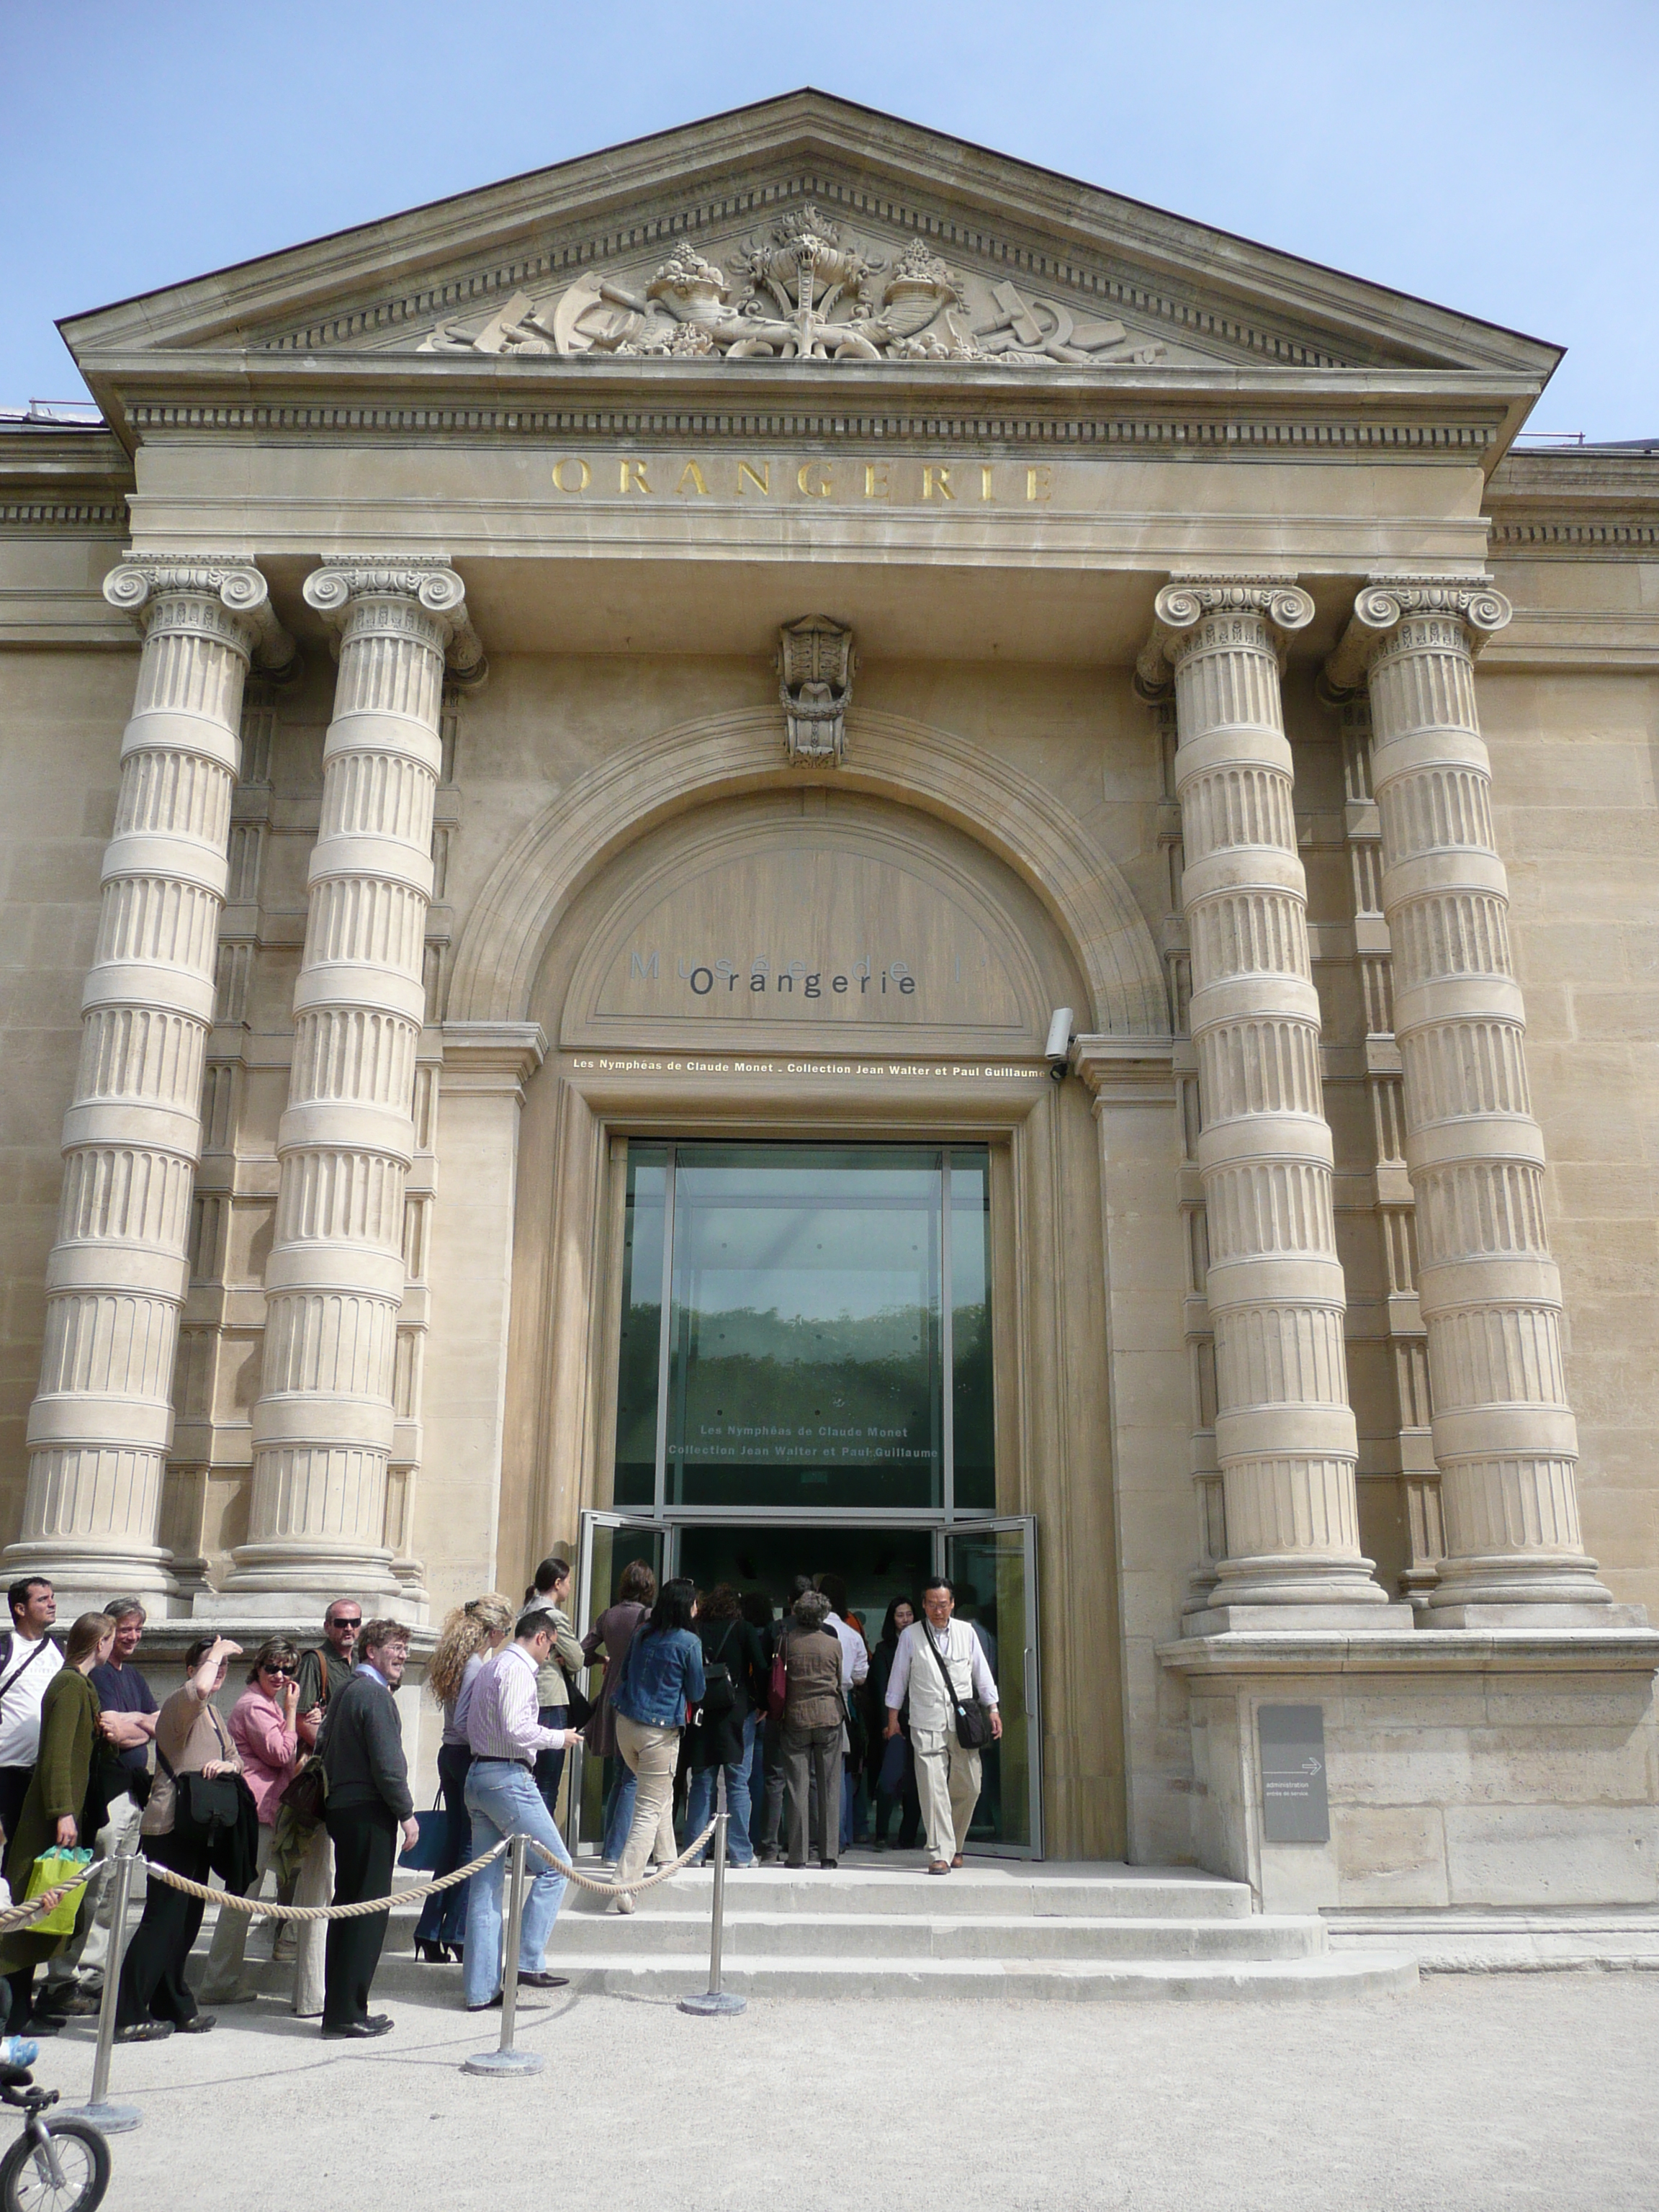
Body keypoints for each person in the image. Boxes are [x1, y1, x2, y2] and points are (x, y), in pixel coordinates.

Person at [115, 1634, 243, 2042]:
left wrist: (227, 1766)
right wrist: (220, 1650)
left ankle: (171, 2001)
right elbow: (201, 1687)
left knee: (186, 1923)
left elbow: (237, 1760)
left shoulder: (214, 1714)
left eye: (224, 1666)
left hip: (198, 1829)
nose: (220, 1671)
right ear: (191, 1670)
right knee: (161, 1921)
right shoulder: (181, 1704)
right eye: (211, 1663)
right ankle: (127, 2013)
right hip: (169, 1828)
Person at [462, 1605, 583, 2012]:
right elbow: (517, 1727)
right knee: (556, 1866)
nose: (551, 1656)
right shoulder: (515, 1670)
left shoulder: (489, 1668)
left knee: (485, 1886)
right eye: (551, 1646)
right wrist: (557, 1737)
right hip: (507, 1777)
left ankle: (481, 1990)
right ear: (542, 1638)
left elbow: (463, 1724)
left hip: (479, 1775)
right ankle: (528, 1960)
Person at [40, 1595, 158, 2015]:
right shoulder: (89, 1678)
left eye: (137, 1629)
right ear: (105, 1634)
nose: (131, 1636)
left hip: (133, 1794)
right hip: (102, 1801)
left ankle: (94, 1976)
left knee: (114, 1893)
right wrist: (141, 1724)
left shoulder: (136, 1677)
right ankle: (62, 1978)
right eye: (123, 1629)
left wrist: (139, 1724)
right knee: (89, 1889)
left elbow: (156, 1723)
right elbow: (111, 1733)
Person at [0, 1612, 115, 2034]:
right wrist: (61, 1812)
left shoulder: (79, 1685)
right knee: (26, 1914)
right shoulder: (69, 1685)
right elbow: (54, 1756)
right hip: (49, 1819)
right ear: (100, 1642)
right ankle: (13, 2016)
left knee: (41, 1917)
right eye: (112, 1639)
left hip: (63, 1815)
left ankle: (22, 2010)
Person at [316, 1617, 418, 2040]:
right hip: (367, 1812)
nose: (404, 1656)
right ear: (371, 1651)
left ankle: (341, 2008)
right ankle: (348, 2011)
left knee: (349, 1908)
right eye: (396, 1647)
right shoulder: (372, 1694)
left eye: (405, 1649)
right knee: (366, 1913)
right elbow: (387, 1763)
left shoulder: (346, 1691)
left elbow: (322, 1745)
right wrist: (407, 1814)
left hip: (343, 1808)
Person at [197, 1639, 300, 2006]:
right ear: (257, 1668)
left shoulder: (265, 1703)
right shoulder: (256, 1706)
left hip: (267, 1810)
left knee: (245, 1898)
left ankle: (224, 1977)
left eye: (287, 1669)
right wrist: (292, 1713)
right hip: (256, 1812)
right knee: (241, 1899)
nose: (280, 1675)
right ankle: (219, 1981)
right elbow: (281, 1752)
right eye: (272, 1667)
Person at [414, 1592, 513, 1964]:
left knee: (455, 1848)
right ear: (489, 1630)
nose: (504, 1637)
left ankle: (429, 1930)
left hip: (449, 1755)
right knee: (471, 1851)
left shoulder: (460, 1662)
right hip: (466, 1756)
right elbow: (465, 1722)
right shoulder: (475, 1665)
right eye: (503, 1630)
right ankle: (456, 1932)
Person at [884, 1577, 1002, 1875]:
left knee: (972, 1785)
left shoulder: (967, 1632)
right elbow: (898, 1679)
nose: (938, 1610)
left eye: (943, 1604)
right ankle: (939, 1852)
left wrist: (993, 1708)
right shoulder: (911, 1636)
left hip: (961, 1721)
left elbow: (981, 1673)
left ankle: (955, 1844)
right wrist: (893, 1718)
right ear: (924, 1605)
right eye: (932, 1604)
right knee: (932, 1787)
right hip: (925, 1720)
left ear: (952, 1605)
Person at [284, 1596, 361, 2019]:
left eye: (355, 1623)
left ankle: (287, 1938)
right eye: (341, 1622)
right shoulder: (318, 1661)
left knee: (326, 1880)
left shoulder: (357, 1664)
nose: (348, 1629)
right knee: (317, 1878)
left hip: (346, 1781)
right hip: (323, 1778)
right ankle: (309, 1989)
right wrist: (340, 1743)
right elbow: (303, 1721)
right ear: (327, 1625)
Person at [608, 1578, 703, 1912]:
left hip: (626, 1724)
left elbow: (625, 1675)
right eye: (694, 1602)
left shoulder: (642, 1634)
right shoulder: (689, 1642)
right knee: (648, 1807)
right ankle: (625, 1883)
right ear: (686, 1606)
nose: (697, 1608)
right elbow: (697, 1692)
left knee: (658, 1792)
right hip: (659, 1733)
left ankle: (668, 1859)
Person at [685, 1584, 768, 1867]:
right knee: (738, 1783)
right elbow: (761, 1667)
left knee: (702, 1781)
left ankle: (694, 1853)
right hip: (737, 1711)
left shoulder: (696, 1629)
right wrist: (764, 1703)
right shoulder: (742, 1628)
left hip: (703, 1710)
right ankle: (741, 1854)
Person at [581, 1559, 655, 1863]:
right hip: (635, 1697)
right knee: (631, 1779)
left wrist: (603, 1661)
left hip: (611, 1696)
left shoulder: (608, 1616)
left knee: (619, 1778)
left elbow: (582, 1652)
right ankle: (615, 1851)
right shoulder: (647, 1616)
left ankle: (611, 1846)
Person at [778, 1589, 845, 1870]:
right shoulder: (833, 1644)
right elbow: (839, 1680)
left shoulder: (786, 1642)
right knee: (829, 1786)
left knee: (797, 1787)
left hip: (796, 1717)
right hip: (829, 1716)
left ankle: (797, 1855)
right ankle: (828, 1854)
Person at [755, 1573, 814, 1863]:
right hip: (812, 1716)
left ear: (789, 1602)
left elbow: (765, 1671)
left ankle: (769, 1847)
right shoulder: (825, 1632)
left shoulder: (776, 1629)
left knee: (775, 1780)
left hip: (779, 1712)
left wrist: (763, 1705)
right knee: (810, 1780)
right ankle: (810, 1844)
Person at [0, 1580, 61, 1845]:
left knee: (27, 1853)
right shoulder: (4, 1649)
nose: (52, 1603)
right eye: (43, 1599)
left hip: (43, 1772)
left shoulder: (60, 1649)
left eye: (52, 1597)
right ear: (20, 1609)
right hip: (6, 1769)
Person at [525, 1556, 585, 1823]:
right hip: (550, 1698)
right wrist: (562, 1658)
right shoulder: (554, 1616)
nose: (570, 1587)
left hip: (527, 1696)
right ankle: (541, 1850)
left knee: (528, 1778)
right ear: (557, 1583)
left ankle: (521, 1844)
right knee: (548, 1782)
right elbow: (577, 1659)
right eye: (569, 1581)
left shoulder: (523, 1611)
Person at [816, 1573, 870, 1852]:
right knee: (839, 1774)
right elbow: (862, 1675)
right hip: (842, 1703)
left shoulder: (807, 1631)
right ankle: (838, 1837)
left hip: (806, 1705)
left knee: (807, 1774)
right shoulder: (852, 1634)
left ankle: (809, 1837)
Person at [867, 1596, 922, 1851]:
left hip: (920, 1720)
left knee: (915, 1784)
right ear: (892, 1619)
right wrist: (888, 1723)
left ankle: (907, 1837)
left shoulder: (923, 1645)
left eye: (909, 1614)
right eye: (900, 1615)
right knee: (889, 1781)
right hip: (894, 1723)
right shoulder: (883, 1650)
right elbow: (880, 1689)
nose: (905, 1620)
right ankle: (880, 1834)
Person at [737, 1589, 775, 1860]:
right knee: (762, 1777)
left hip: (744, 1707)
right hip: (763, 1708)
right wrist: (766, 1704)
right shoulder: (772, 1635)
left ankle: (739, 1835)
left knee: (736, 1776)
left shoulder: (743, 1632)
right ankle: (760, 1836)